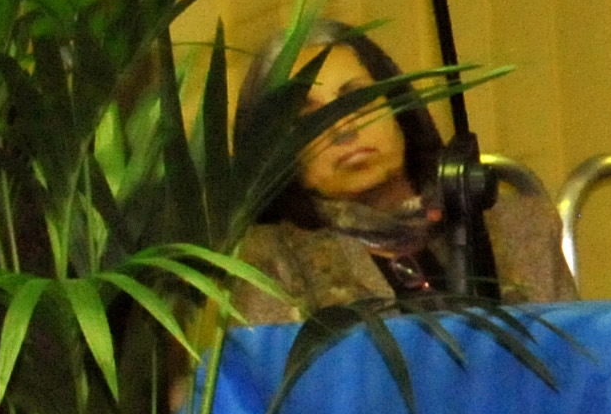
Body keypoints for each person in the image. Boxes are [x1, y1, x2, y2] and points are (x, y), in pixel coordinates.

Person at [227, 24, 573, 321]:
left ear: (399, 108)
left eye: (358, 100)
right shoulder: (263, 263)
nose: (344, 128)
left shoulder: (521, 230)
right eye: (310, 119)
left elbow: (572, 368)